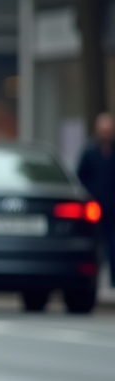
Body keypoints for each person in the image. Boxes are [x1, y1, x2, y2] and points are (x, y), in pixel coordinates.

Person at [76, 112, 115, 287]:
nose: (106, 133)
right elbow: (81, 177)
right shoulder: (89, 152)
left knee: (113, 244)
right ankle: (95, 278)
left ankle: (113, 278)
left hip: (113, 206)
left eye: (109, 130)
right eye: (103, 130)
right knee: (96, 244)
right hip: (95, 208)